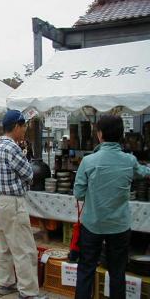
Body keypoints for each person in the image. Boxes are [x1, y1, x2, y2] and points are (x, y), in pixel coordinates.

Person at [74, 115, 150, 299]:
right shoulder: (129, 160)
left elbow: (78, 193)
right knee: (117, 272)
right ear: (121, 134)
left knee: (86, 270)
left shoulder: (88, 161)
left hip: (93, 224)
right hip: (119, 225)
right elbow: (144, 172)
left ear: (100, 134)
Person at [0, 110, 47, 299]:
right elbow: (29, 174)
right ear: (16, 126)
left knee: (5, 245)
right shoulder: (12, 148)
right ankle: (29, 292)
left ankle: (6, 283)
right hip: (13, 203)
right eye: (23, 127)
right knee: (24, 249)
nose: (24, 130)